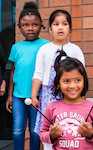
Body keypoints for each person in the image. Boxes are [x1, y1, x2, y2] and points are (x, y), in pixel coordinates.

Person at [31, 9, 85, 150]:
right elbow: (38, 74)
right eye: (56, 24)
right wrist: (33, 95)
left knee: (68, 127)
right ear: (50, 29)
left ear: (70, 28)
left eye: (64, 24)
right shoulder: (44, 49)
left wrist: (80, 97)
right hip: (49, 96)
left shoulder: (75, 50)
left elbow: (82, 77)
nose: (60, 27)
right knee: (51, 128)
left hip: (70, 95)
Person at [5, 1, 50, 150]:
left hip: (38, 96)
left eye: (34, 24)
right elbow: (13, 72)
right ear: (19, 27)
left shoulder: (46, 45)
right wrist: (10, 96)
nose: (30, 28)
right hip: (18, 96)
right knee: (18, 130)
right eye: (25, 25)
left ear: (41, 25)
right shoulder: (16, 47)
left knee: (34, 131)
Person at [40, 56, 93, 149]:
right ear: (58, 84)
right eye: (66, 81)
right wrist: (51, 135)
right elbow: (42, 135)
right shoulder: (51, 107)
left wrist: (91, 133)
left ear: (84, 81)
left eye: (78, 80)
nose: (72, 86)